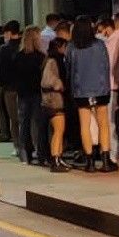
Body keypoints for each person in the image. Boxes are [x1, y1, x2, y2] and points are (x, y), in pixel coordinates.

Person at [66, 16, 116, 173]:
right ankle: (106, 160)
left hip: (80, 90)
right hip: (100, 88)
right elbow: (106, 67)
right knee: (103, 123)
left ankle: (90, 161)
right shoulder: (100, 45)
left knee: (84, 124)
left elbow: (69, 69)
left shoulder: (72, 47)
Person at [13, 27, 48, 165]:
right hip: (37, 93)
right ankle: (40, 152)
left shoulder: (18, 56)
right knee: (38, 124)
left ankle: (24, 153)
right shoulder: (41, 57)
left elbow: (14, 76)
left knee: (24, 123)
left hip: (22, 93)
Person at [98, 15, 119, 165]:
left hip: (111, 85)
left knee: (111, 122)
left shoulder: (113, 40)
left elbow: (107, 64)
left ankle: (114, 155)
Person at [41, 38, 71, 172]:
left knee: (59, 131)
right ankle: (55, 159)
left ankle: (58, 157)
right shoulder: (53, 61)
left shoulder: (51, 60)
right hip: (54, 101)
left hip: (54, 100)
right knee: (58, 131)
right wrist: (59, 84)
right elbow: (48, 80)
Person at [0, 20, 23, 157]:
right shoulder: (24, 46)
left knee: (13, 119)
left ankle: (17, 145)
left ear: (8, 33)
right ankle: (27, 144)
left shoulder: (4, 49)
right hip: (24, 87)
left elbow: (0, 70)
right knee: (25, 117)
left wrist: (2, 84)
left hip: (10, 88)